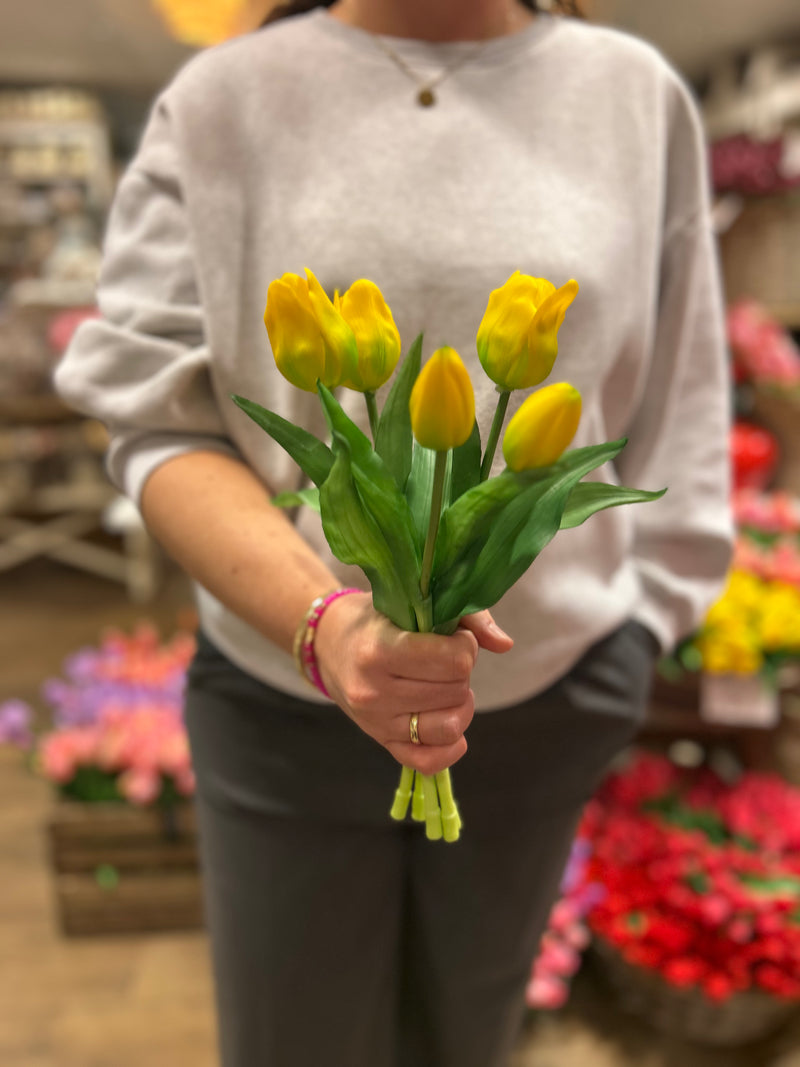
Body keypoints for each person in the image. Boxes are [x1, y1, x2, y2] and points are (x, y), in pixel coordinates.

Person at [54, 1, 733, 1064]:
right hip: (285, 698)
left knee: (472, 1033)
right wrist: (325, 623)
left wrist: (636, 630)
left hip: (543, 696)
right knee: (296, 1042)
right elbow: (152, 412)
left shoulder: (631, 96)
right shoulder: (223, 99)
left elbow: (682, 401)